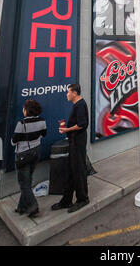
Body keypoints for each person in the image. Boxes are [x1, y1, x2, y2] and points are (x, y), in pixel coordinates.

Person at [51, 84, 90, 213]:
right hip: (74, 141)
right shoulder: (77, 105)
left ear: (74, 93)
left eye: (68, 92)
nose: (66, 95)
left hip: (78, 142)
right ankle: (66, 200)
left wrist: (67, 129)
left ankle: (83, 199)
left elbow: (82, 124)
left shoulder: (80, 105)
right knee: (71, 171)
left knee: (78, 170)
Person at [11, 99, 47, 217]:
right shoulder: (42, 121)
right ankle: (21, 207)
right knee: (27, 180)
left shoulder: (21, 124)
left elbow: (14, 141)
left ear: (26, 110)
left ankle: (33, 206)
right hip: (36, 152)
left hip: (23, 155)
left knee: (23, 183)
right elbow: (43, 134)